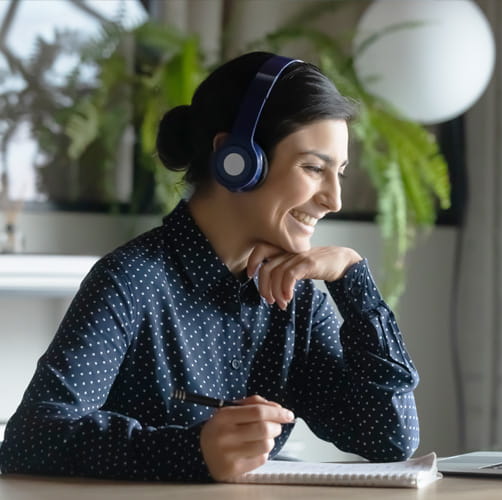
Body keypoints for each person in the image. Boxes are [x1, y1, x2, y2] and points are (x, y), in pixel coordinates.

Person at [0, 51, 420, 482]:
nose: (334, 200)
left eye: (340, 174)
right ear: (236, 160)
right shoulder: (131, 279)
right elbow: (31, 439)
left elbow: (389, 438)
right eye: (314, 168)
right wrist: (193, 451)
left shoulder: (295, 297)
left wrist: (353, 280)